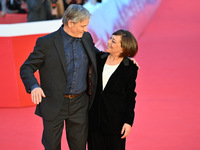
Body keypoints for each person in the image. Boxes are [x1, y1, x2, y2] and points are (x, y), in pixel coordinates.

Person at [20, 4, 97, 150]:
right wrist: (34, 86)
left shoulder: (86, 37)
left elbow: (96, 55)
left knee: (79, 146)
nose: (86, 29)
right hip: (54, 103)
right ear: (70, 23)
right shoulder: (46, 42)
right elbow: (27, 67)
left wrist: (121, 59)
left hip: (79, 103)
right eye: (82, 26)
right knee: (52, 146)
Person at [88, 29, 138, 150]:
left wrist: (128, 121)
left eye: (113, 41)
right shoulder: (99, 59)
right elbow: (88, 43)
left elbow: (130, 96)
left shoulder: (130, 67)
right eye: (110, 38)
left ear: (123, 48)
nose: (108, 42)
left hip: (115, 124)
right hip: (94, 121)